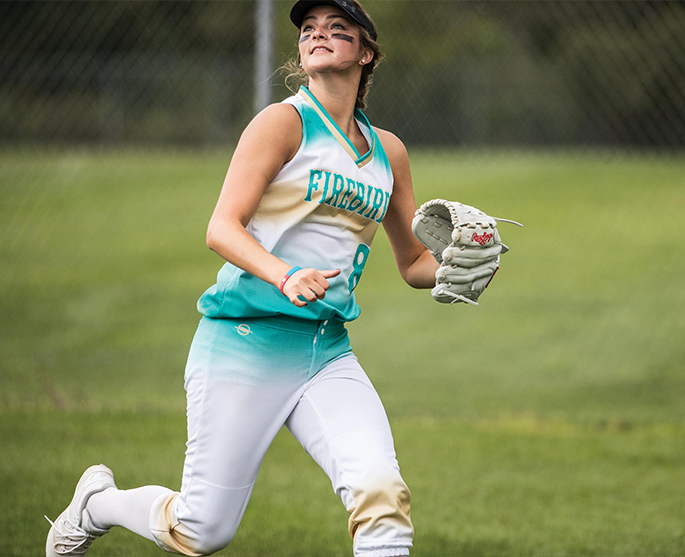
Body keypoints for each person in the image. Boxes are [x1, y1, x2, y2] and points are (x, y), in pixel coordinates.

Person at [45, 1, 440, 556]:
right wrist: (284, 274)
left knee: (381, 494)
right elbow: (221, 228)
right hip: (243, 341)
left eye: (337, 29)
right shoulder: (283, 123)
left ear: (366, 53)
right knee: (202, 530)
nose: (318, 35)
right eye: (309, 29)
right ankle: (96, 504)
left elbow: (414, 262)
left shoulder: (389, 152)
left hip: (326, 351)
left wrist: (456, 269)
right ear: (301, 53)